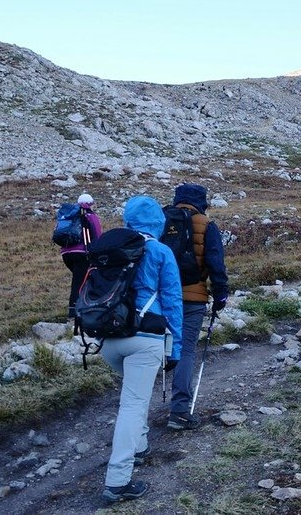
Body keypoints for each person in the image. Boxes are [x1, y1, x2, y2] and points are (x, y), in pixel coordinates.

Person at [101, 196, 184, 502]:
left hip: (108, 338)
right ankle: (118, 481)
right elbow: (173, 302)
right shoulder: (160, 251)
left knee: (134, 395)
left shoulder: (110, 248)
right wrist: (174, 349)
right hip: (145, 339)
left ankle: (140, 446)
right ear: (157, 223)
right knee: (133, 405)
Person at [167, 184, 229, 431]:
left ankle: (137, 411)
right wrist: (221, 294)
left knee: (159, 347)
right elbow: (215, 262)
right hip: (193, 297)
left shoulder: (163, 219)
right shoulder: (206, 224)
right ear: (202, 202)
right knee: (185, 349)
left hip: (161, 298)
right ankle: (180, 410)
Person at [61, 193, 102, 319]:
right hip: (82, 253)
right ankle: (74, 314)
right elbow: (97, 235)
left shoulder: (70, 216)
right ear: (91, 203)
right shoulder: (90, 216)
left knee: (81, 280)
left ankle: (82, 309)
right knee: (79, 283)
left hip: (66, 254)